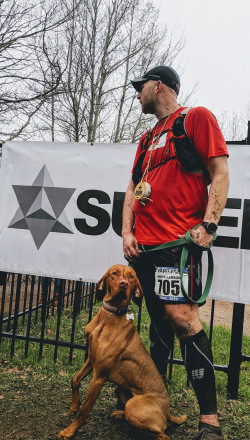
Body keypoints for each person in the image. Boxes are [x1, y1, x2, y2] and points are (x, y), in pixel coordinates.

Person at [122, 65, 229, 440]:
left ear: (160, 85)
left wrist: (209, 224)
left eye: (141, 86)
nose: (137, 92)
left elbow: (219, 172)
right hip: (144, 253)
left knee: (182, 319)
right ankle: (155, 405)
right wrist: (126, 232)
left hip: (176, 249)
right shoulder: (146, 138)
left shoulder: (194, 119)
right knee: (158, 328)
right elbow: (133, 188)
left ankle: (210, 421)